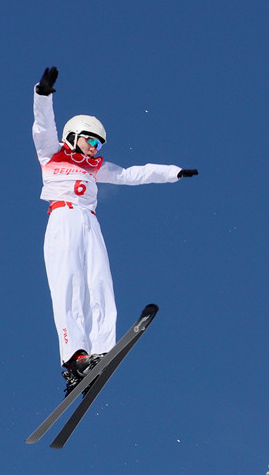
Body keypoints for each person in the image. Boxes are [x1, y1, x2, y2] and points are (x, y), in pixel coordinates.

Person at [32, 66, 197, 395]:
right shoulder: (51, 153)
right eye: (89, 139)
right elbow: (42, 125)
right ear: (72, 137)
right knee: (70, 288)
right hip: (62, 219)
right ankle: (75, 358)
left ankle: (100, 352)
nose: (94, 146)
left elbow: (133, 174)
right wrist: (43, 94)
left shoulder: (95, 169)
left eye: (98, 142)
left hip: (89, 221)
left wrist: (173, 173)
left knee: (100, 283)